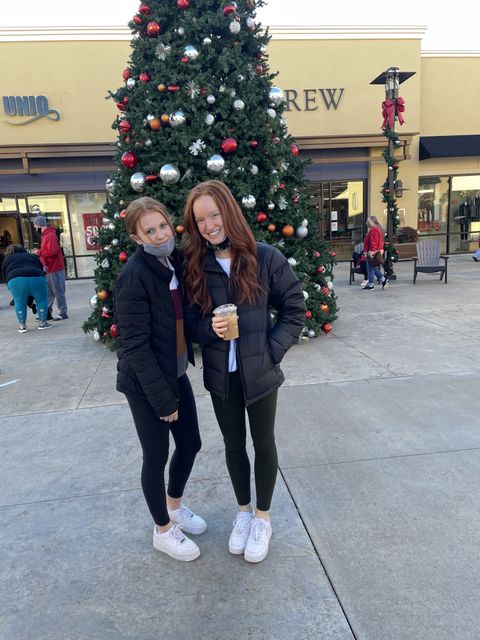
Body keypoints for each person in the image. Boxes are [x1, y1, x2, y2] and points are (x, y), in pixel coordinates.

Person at [182, 180, 306, 563]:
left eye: (214, 215)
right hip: (222, 377)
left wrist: (270, 353)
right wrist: (209, 329)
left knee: (264, 443)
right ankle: (243, 512)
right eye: (200, 220)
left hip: (261, 373)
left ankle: (263, 518)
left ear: (229, 212)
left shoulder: (264, 257)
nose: (208, 225)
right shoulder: (196, 267)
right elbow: (191, 323)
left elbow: (295, 309)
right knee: (233, 446)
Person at [114, 196, 205, 562]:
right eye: (149, 231)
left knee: (191, 444)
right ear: (137, 238)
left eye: (163, 226)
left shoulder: (174, 262)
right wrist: (164, 400)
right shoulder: (134, 276)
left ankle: (174, 507)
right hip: (144, 382)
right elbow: (134, 347)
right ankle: (163, 530)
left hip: (175, 371)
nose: (160, 235)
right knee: (156, 455)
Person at [1, 245, 52, 332]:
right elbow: (41, 268)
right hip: (37, 277)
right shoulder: (31, 256)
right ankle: (43, 323)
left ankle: (22, 326)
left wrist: (9, 285)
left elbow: (4, 272)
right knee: (41, 301)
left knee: (19, 302)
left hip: (16, 280)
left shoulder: (7, 258)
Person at [32, 215, 68, 320]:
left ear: (39, 225)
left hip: (55, 268)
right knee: (48, 293)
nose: (34, 227)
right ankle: (47, 313)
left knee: (58, 291)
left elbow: (52, 252)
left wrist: (38, 252)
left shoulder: (50, 235)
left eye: (35, 225)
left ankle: (63, 313)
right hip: (49, 269)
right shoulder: (46, 235)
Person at [363, 216, 389, 291]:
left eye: (368, 221)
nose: (366, 222)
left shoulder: (374, 229)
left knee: (370, 268)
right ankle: (382, 280)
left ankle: (372, 284)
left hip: (372, 252)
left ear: (373, 221)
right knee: (373, 267)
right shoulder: (375, 229)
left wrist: (371, 251)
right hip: (374, 251)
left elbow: (374, 241)